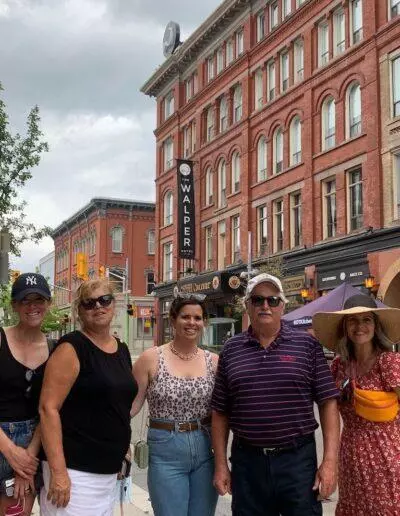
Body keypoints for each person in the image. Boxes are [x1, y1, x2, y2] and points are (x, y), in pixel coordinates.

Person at [211, 273, 340, 516]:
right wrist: (220, 465)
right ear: (247, 306)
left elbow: (328, 402)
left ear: (282, 305)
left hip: (297, 462)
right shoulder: (231, 350)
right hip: (248, 464)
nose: (265, 305)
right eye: (257, 299)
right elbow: (220, 411)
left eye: (272, 300)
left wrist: (330, 462)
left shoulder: (307, 345)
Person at [39, 279, 138, 516]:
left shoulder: (121, 348)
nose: (98, 306)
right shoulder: (72, 348)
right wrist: (59, 473)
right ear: (79, 311)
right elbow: (48, 408)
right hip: (75, 473)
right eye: (89, 303)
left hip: (108, 472)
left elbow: (117, 404)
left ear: (114, 304)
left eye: (104, 300)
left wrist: (122, 448)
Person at [131, 293, 219, 516]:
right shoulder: (151, 358)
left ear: (204, 322)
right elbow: (130, 406)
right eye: (185, 317)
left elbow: (223, 411)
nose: (192, 323)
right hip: (165, 449)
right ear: (173, 320)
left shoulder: (214, 362)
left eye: (197, 318)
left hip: (205, 447)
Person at [313, 294, 400, 516]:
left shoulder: (388, 362)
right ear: (345, 327)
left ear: (376, 326)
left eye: (366, 320)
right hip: (350, 456)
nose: (359, 326)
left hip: (387, 457)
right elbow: (327, 408)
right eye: (352, 320)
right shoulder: (339, 367)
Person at [0, 273, 53, 515]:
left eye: (39, 299)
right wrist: (12, 452)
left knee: (17, 512)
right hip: (2, 438)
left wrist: (27, 459)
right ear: (14, 305)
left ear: (48, 304)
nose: (33, 306)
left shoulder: (55, 349)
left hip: (34, 441)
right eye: (25, 300)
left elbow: (50, 408)